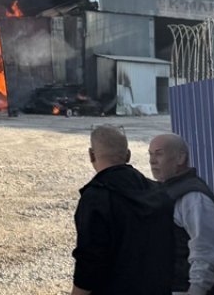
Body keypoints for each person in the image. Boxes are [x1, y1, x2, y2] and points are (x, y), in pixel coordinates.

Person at [72, 125, 175, 295]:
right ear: (128, 155)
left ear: (91, 155)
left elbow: (89, 261)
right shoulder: (158, 191)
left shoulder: (96, 198)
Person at [148, 133, 214, 295]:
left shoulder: (194, 198)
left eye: (159, 153)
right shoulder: (165, 192)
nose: (152, 160)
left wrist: (195, 290)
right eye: (150, 154)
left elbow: (206, 252)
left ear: (180, 158)